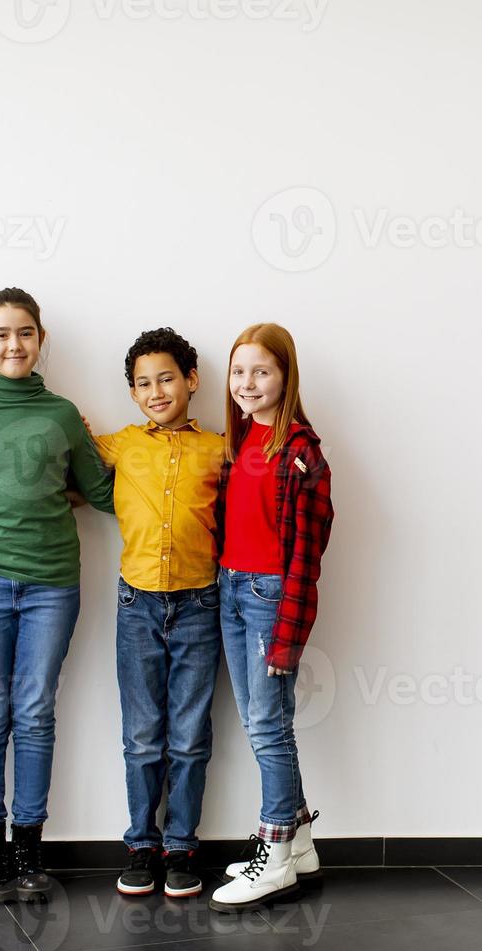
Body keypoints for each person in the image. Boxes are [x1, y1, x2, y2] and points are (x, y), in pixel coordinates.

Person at [0, 287, 116, 903]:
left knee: (36, 711)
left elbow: (101, 493)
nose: (14, 345)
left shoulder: (65, 415)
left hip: (52, 586)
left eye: (25, 333)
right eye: (1, 335)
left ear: (40, 339)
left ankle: (28, 849)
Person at [94, 328, 227, 899]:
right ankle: (141, 845)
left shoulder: (221, 450)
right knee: (143, 735)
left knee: (190, 735)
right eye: (142, 384)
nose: (155, 391)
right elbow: (64, 453)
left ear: (191, 380)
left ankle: (181, 846)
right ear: (132, 393)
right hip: (136, 604)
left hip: (200, 603)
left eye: (166, 378)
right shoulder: (121, 444)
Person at [208, 323, 335, 913]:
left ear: (286, 376)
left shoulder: (302, 454)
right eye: (239, 371)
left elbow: (306, 557)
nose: (247, 383)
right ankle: (300, 842)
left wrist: (287, 631)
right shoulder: (237, 444)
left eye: (261, 371)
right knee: (265, 719)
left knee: (266, 725)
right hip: (230, 587)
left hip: (268, 596)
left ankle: (276, 855)